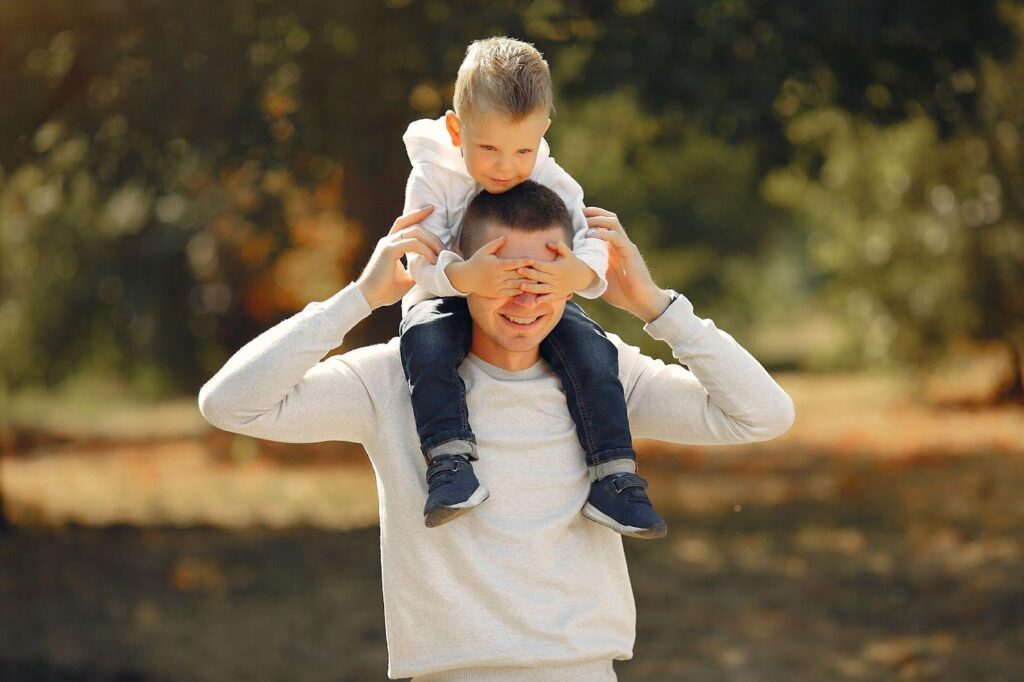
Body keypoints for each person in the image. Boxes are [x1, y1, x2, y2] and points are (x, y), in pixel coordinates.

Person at [197, 182, 795, 681]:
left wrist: (657, 307)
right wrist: (357, 300)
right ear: (463, 272)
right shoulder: (391, 379)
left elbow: (762, 414)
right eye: (506, 271)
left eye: (547, 270)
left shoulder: (605, 377)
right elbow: (231, 405)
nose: (527, 292)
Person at [398, 37, 667, 537]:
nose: (506, 167)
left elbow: (588, 237)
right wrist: (460, 276)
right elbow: (417, 256)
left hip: (529, 295)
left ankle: (615, 477)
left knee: (592, 349)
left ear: (543, 131)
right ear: (457, 129)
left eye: (523, 149)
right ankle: (450, 462)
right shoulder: (432, 175)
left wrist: (578, 275)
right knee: (425, 344)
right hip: (445, 296)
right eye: (489, 149)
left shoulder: (546, 172)